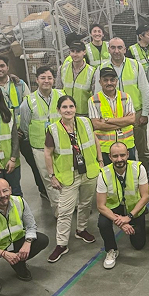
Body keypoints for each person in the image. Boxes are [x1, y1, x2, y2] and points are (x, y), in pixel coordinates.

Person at [42, 95, 99, 263]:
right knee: (65, 210)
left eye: (71, 106)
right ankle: (61, 244)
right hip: (68, 176)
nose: (68, 110)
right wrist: (52, 175)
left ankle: (81, 230)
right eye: (64, 107)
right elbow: (48, 152)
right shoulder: (53, 129)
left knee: (86, 204)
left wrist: (100, 161)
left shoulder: (86, 123)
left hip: (89, 172)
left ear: (75, 108)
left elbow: (95, 141)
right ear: (59, 110)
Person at [0, 178, 50, 294]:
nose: (2, 195)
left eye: (5, 191)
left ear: (10, 190)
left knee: (42, 240)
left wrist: (27, 242)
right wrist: (3, 253)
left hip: (16, 241)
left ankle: (18, 263)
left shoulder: (20, 202)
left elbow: (31, 226)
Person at [0, 55, 48, 201]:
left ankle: (44, 189)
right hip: (1, 136)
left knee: (35, 163)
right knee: (7, 167)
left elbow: (29, 105)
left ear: (7, 67)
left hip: (22, 133)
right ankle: (7, 195)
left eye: (2, 66)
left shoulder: (19, 84)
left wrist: (23, 129)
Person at [93, 38, 149, 163]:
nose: (116, 51)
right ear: (108, 50)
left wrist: (145, 113)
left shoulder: (135, 65)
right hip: (110, 116)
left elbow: (145, 89)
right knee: (117, 151)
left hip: (135, 114)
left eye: (120, 48)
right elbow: (97, 95)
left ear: (125, 49)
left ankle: (143, 177)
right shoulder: (102, 68)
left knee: (142, 151)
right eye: (113, 47)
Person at [95, 142, 149, 270]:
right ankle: (111, 250)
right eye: (115, 156)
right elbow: (101, 206)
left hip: (134, 208)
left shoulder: (138, 168)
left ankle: (136, 227)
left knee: (138, 245)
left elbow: (145, 197)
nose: (119, 159)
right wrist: (121, 222)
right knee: (102, 222)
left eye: (122, 155)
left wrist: (130, 217)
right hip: (114, 207)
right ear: (110, 157)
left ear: (127, 155)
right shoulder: (103, 174)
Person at [16, 65, 63, 202]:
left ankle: (69, 204)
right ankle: (58, 210)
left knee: (65, 176)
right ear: (36, 80)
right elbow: (24, 125)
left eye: (49, 78)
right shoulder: (28, 102)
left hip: (61, 144)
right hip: (40, 147)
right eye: (43, 78)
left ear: (54, 80)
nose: (46, 81)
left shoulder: (61, 96)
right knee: (49, 179)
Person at [88, 66, 136, 160]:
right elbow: (97, 125)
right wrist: (123, 123)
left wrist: (107, 120)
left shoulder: (126, 97)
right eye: (105, 80)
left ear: (116, 81)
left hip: (127, 146)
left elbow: (132, 119)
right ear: (100, 82)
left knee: (130, 173)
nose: (109, 83)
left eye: (112, 80)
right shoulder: (93, 100)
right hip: (105, 148)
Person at [59, 40, 97, 112]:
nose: (75, 54)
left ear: (84, 52)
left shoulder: (92, 71)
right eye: (72, 51)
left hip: (84, 114)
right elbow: (58, 91)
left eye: (78, 51)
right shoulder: (63, 69)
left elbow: (95, 95)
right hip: (66, 113)